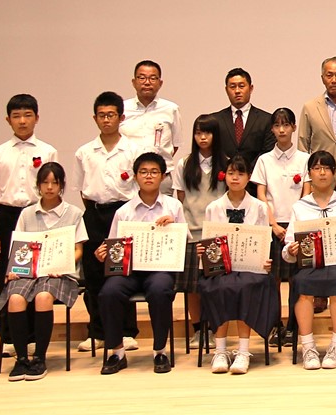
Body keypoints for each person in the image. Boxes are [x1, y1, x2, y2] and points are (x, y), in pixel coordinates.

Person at [96, 152, 188, 375]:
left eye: (154, 172)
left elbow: (185, 241)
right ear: (135, 176)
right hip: (129, 272)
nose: (149, 176)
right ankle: (116, 352)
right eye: (143, 172)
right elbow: (113, 247)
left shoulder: (173, 207)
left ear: (163, 176)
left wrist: (174, 226)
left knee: (160, 290)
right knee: (108, 292)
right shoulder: (123, 211)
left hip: (159, 269)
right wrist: (103, 253)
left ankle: (160, 351)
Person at [282, 151, 336, 370]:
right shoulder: (300, 206)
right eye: (316, 168)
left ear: (333, 173)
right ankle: (309, 347)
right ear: (309, 173)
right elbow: (288, 247)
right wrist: (292, 250)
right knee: (301, 284)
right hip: (311, 264)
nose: (322, 173)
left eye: (326, 168)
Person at [0, 163, 86, 381]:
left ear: (61, 186)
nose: (49, 187)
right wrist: (14, 270)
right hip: (29, 271)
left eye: (54, 183)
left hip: (59, 273)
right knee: (16, 298)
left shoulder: (73, 213)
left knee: (43, 296)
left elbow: (78, 250)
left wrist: (62, 264)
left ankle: (39, 358)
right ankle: (21, 360)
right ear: (38, 186)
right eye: (44, 183)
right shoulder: (27, 214)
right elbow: (19, 246)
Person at [0, 93, 58, 356]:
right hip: (7, 217)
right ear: (8, 120)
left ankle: (30, 336)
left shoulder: (47, 150)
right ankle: (8, 337)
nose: (22, 121)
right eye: (16, 116)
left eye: (28, 115)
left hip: (37, 216)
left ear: (37, 118)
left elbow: (52, 189)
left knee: (34, 275)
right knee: (8, 276)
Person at [72, 91, 139, 353]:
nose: (107, 120)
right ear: (95, 118)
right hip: (95, 215)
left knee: (124, 271)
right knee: (94, 273)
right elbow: (82, 189)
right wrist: (94, 212)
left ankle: (127, 331)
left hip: (124, 213)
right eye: (102, 115)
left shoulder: (132, 150)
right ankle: (97, 331)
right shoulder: (85, 152)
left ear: (121, 117)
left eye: (111, 115)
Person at [199, 155, 276, 375]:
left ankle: (243, 351)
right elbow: (209, 242)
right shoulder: (213, 207)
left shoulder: (260, 207)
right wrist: (204, 253)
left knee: (248, 287)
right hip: (221, 269)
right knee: (218, 287)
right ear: (224, 176)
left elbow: (264, 241)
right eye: (231, 173)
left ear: (248, 177)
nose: (235, 178)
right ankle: (220, 350)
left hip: (249, 268)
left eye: (241, 173)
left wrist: (265, 260)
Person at [251, 107, 309, 345]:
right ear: (272, 129)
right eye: (277, 125)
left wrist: (296, 225)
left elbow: (307, 193)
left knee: (298, 278)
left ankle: (295, 326)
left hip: (298, 225)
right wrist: (273, 223)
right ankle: (275, 324)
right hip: (273, 226)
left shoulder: (305, 159)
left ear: (294, 127)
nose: (282, 130)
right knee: (272, 278)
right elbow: (261, 194)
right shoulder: (264, 160)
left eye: (286, 125)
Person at [171, 114, 227, 348]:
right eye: (198, 133)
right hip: (191, 234)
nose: (202, 137)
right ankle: (198, 330)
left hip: (216, 235)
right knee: (193, 288)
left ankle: (215, 329)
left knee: (215, 286)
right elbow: (181, 198)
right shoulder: (184, 164)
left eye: (207, 132)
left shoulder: (225, 163)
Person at [297, 56, 336, 194]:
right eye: (329, 75)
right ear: (322, 78)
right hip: (319, 178)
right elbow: (303, 146)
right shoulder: (310, 107)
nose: (333, 80)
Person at [120, 60, 182, 197]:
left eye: (153, 78)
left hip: (161, 178)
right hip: (128, 177)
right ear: (133, 81)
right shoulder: (123, 108)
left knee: (162, 217)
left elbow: (175, 145)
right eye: (141, 78)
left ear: (160, 83)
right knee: (129, 217)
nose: (147, 82)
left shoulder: (171, 109)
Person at [211, 67, 274, 177]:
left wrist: (247, 172)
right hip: (222, 180)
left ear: (250, 88)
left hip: (254, 180)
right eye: (232, 87)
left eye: (241, 86)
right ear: (226, 90)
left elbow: (267, 153)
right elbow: (212, 151)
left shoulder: (267, 120)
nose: (237, 91)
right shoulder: (215, 120)